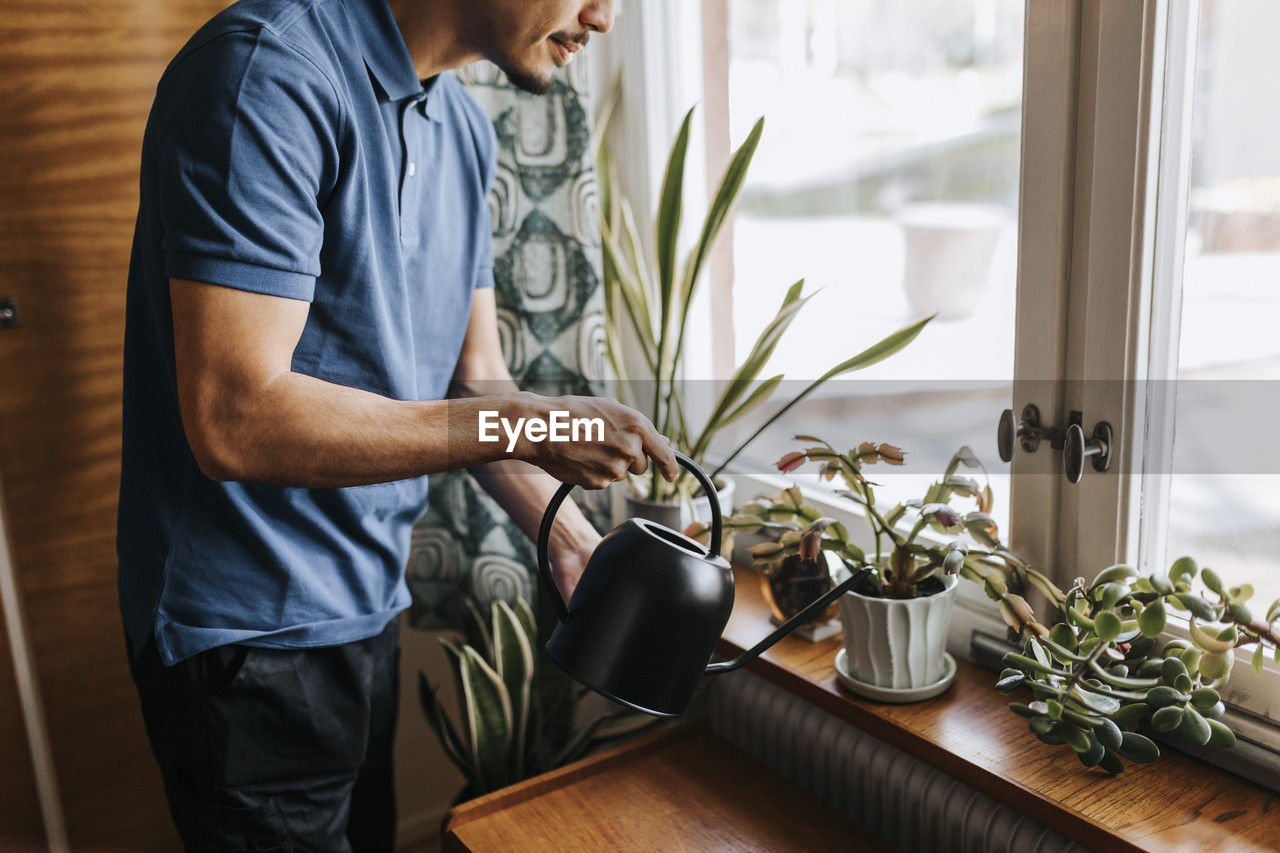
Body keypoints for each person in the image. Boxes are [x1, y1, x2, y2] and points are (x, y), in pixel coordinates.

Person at [116, 0, 674, 849]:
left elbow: (474, 381)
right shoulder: (267, 72)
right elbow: (234, 416)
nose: (604, 15)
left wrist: (568, 540)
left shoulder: (463, 129)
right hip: (245, 635)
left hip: (371, 605)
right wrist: (524, 425)